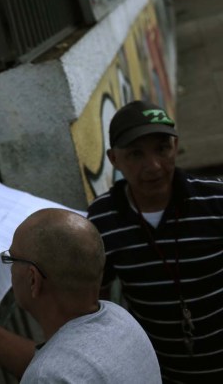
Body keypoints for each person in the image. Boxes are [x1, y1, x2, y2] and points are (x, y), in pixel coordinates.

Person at [0, 208, 161, 383]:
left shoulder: (49, 376)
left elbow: (52, 368)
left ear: (33, 279)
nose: (9, 268)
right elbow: (57, 359)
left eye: (11, 259)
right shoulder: (119, 318)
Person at [87, 100, 223, 382]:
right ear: (114, 159)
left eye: (162, 149)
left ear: (174, 146)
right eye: (136, 154)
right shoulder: (103, 219)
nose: (153, 166)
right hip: (163, 373)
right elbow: (94, 298)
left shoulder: (216, 199)